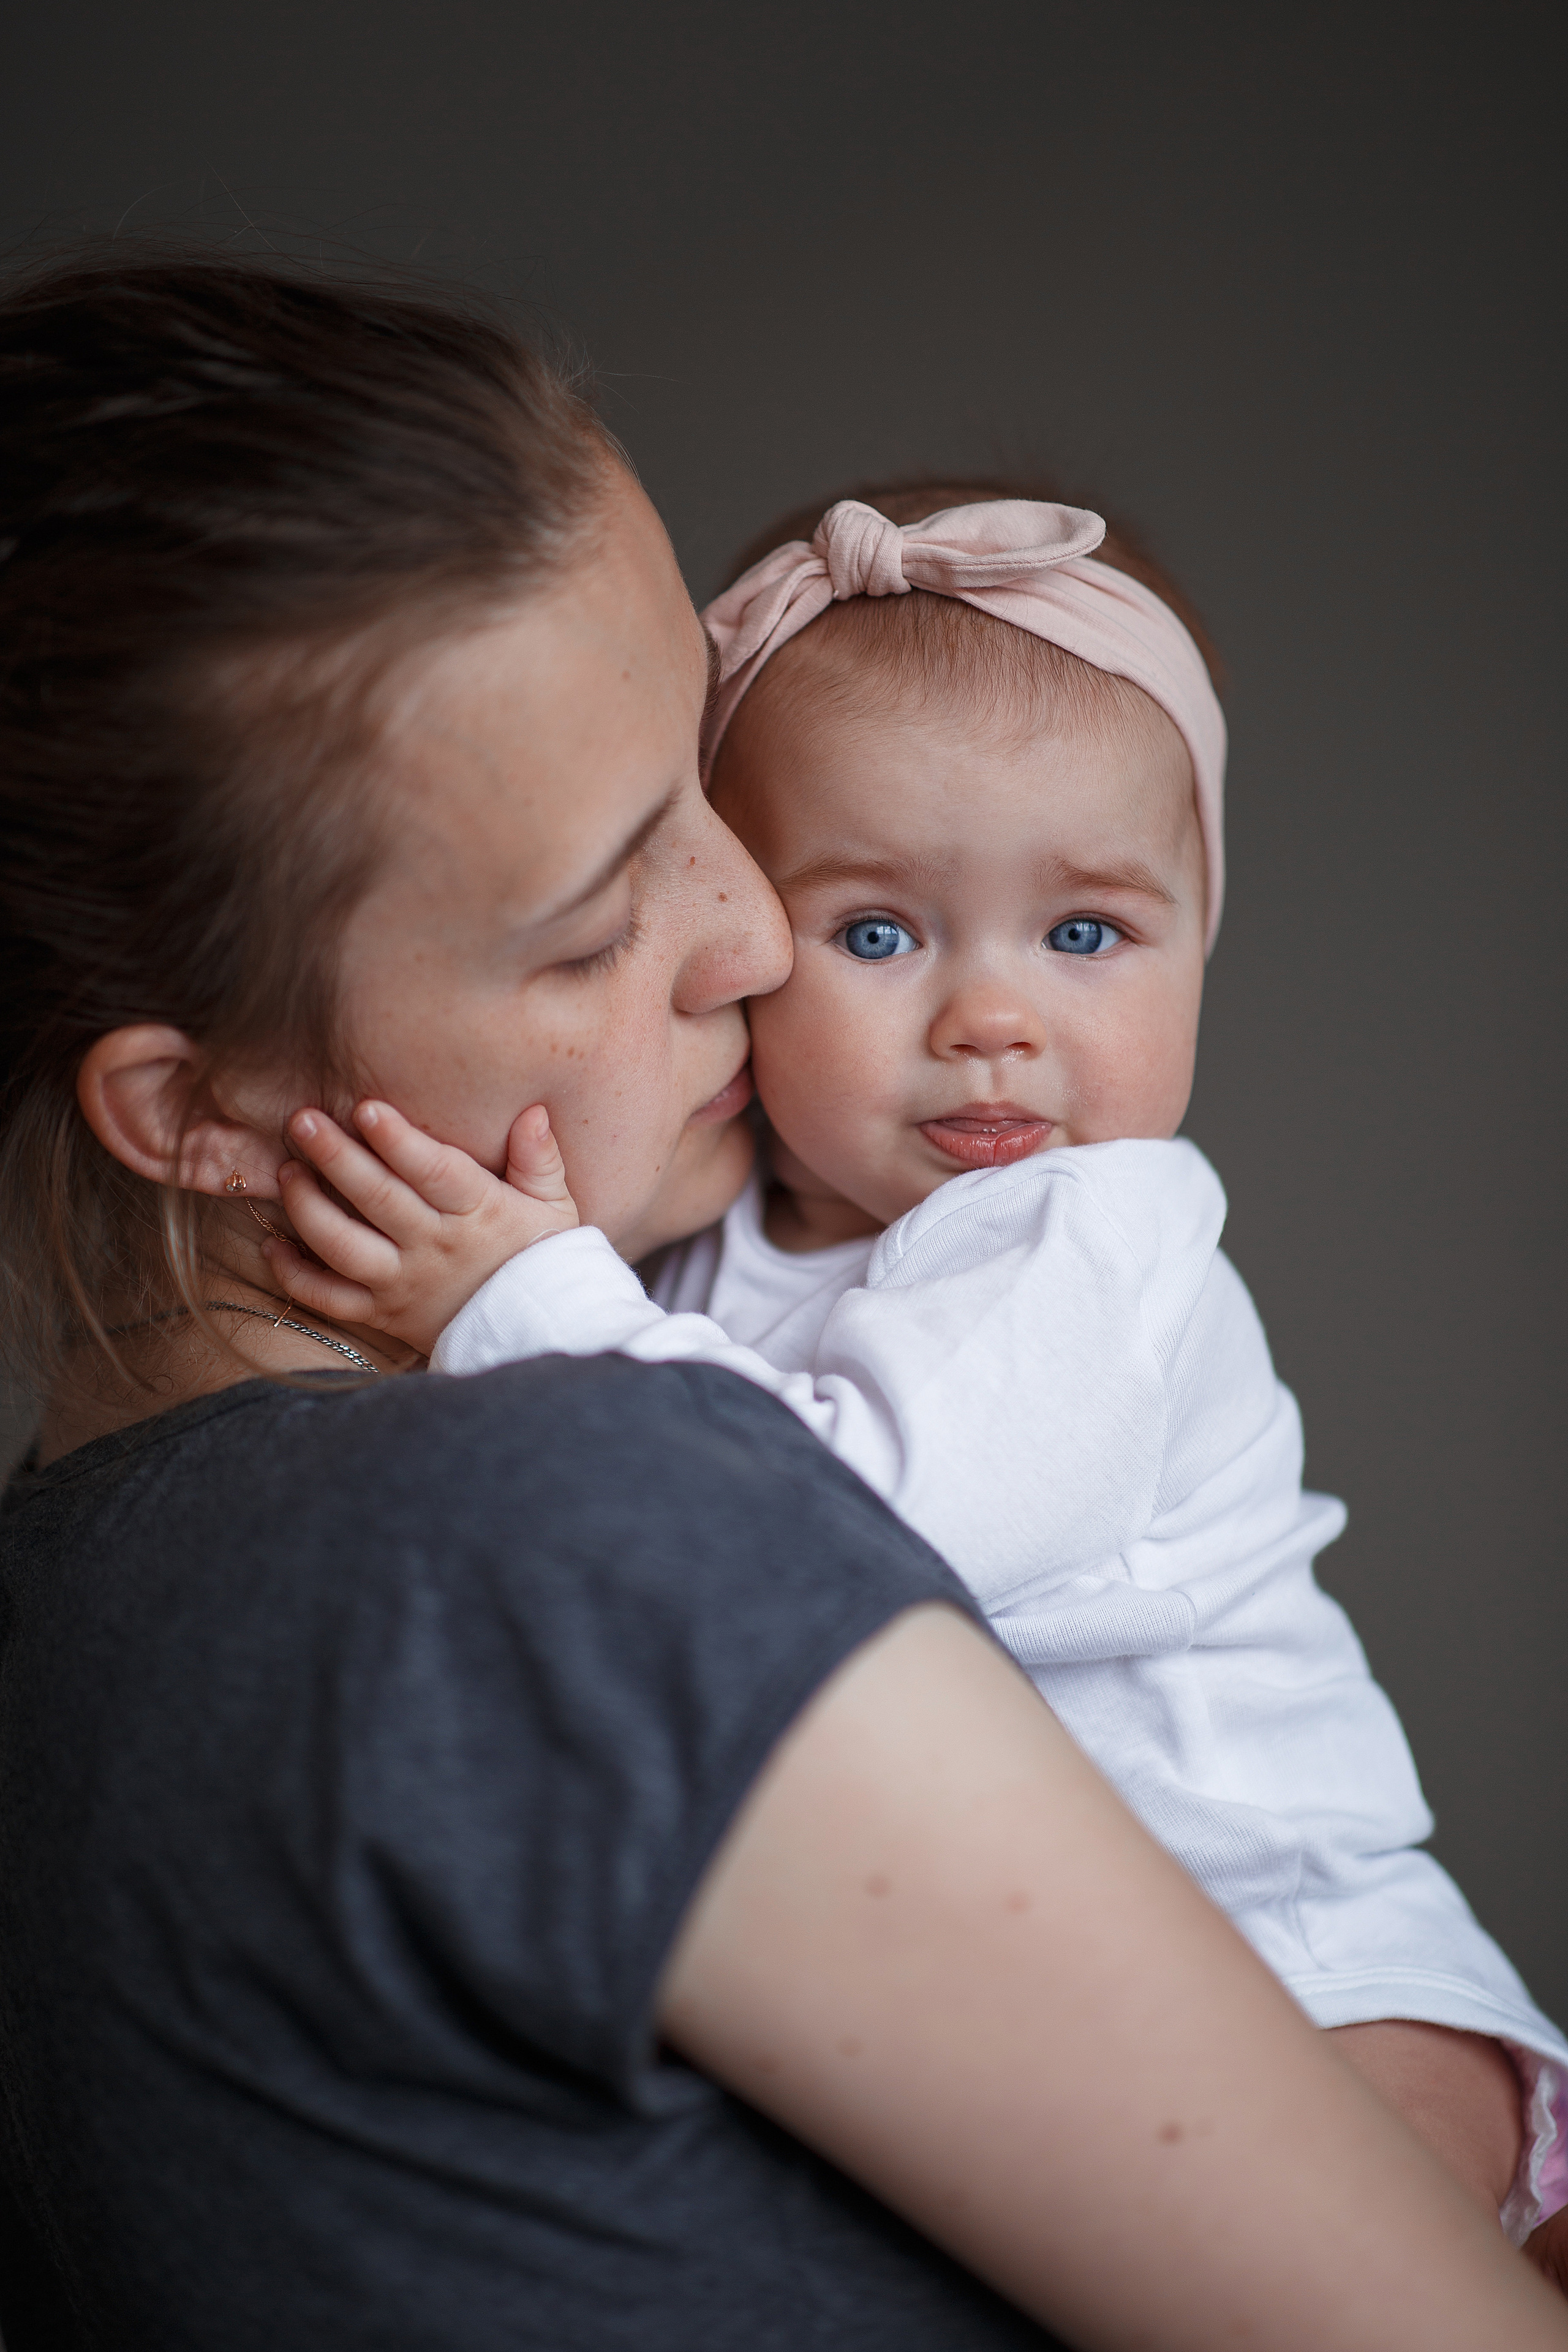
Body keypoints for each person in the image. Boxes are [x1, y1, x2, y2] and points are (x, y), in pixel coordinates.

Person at [1, 249, 1562, 2352]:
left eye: (705, 814)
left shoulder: (87, 1583)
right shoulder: (580, 1523)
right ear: (198, 1110)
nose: (754, 937)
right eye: (594, 919)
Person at [264, 486, 1568, 2252]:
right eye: (879, 934)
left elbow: (836, 1536)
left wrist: (521, 1296)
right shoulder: (719, 1253)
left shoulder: (1096, 1242)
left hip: (1316, 1981)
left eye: (1088, 934)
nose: (993, 1022)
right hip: (1062, 2001)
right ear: (743, 941)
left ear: (1204, 942)